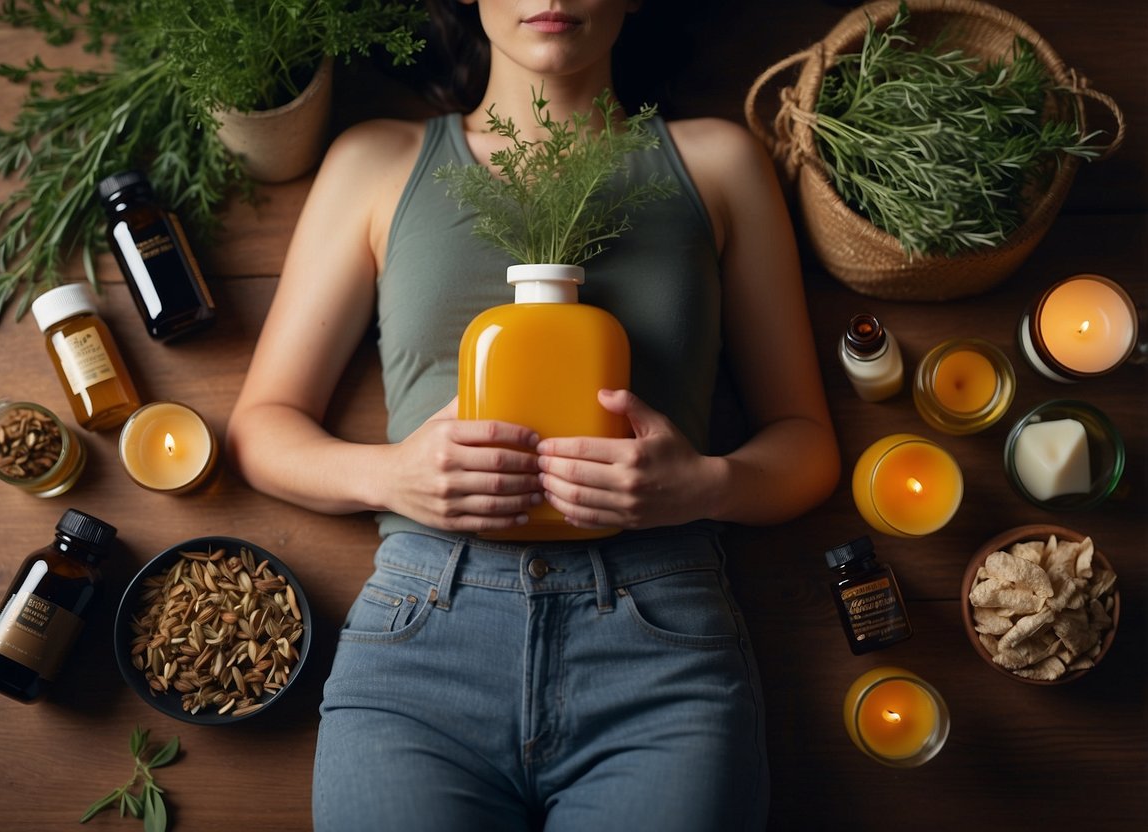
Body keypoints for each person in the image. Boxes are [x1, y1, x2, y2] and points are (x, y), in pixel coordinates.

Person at [227, 1, 840, 829]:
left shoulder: (717, 161)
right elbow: (262, 428)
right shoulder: (378, 159)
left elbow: (806, 447)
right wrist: (395, 474)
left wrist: (699, 486)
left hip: (657, 650)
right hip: (422, 641)